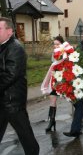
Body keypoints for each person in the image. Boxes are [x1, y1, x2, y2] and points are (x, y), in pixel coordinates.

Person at [0, 17, 39, 154]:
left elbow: (10, 75)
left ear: (9, 31)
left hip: (13, 102)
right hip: (3, 101)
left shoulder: (15, 48)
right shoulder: (2, 46)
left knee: (25, 136)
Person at [45, 35, 64, 132]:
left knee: (72, 100)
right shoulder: (53, 54)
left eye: (58, 44)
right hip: (55, 80)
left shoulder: (66, 53)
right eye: (54, 44)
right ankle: (52, 121)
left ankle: (78, 117)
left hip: (64, 80)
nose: (56, 46)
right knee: (52, 99)